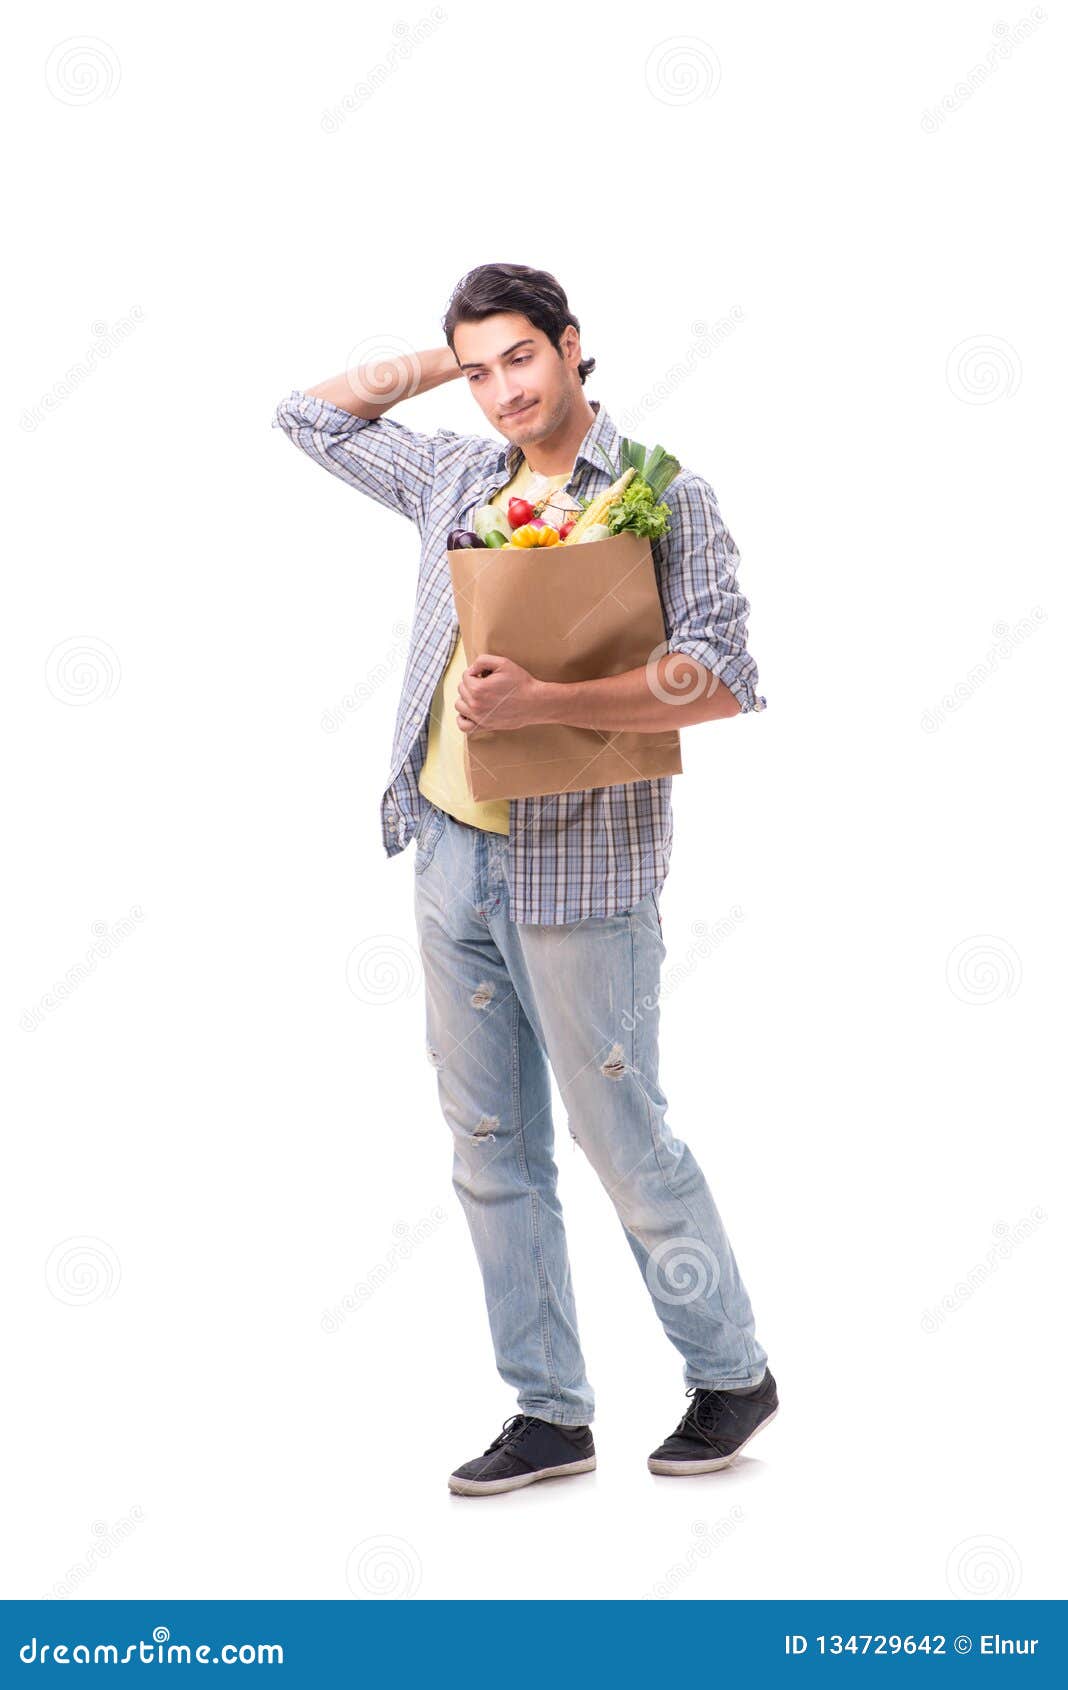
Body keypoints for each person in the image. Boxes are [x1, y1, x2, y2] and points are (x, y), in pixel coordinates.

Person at [272, 262, 778, 1498]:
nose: (505, 387)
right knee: (490, 1144)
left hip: (585, 871)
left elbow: (721, 674)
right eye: (481, 365)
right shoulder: (456, 473)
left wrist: (553, 701)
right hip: (448, 848)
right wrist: (455, 360)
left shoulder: (663, 493)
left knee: (624, 1139)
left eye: (523, 357)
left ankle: (730, 1373)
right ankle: (549, 1411)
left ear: (573, 346)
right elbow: (310, 417)